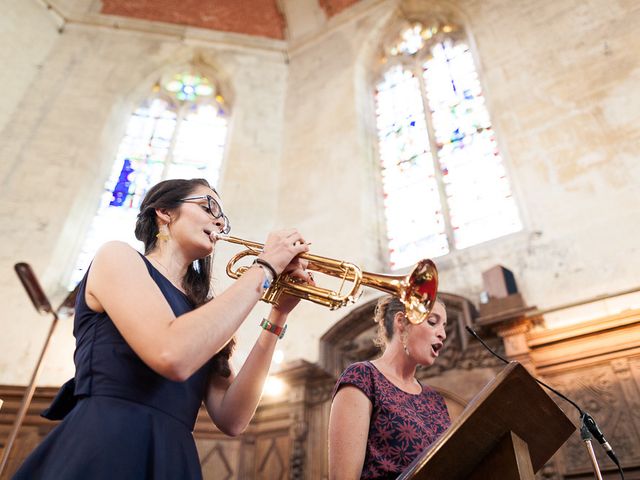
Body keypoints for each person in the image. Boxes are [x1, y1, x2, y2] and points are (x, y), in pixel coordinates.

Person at [13, 178, 312, 479]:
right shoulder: (116, 257)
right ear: (164, 212)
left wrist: (278, 314)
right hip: (107, 440)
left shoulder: (199, 311)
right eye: (209, 206)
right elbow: (171, 354)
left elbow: (232, 417)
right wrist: (266, 267)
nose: (219, 222)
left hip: (172, 455)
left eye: (223, 219)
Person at [328, 295, 451, 479]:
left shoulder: (435, 400)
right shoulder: (363, 377)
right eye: (433, 322)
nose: (443, 334)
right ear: (401, 321)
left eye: (444, 326)